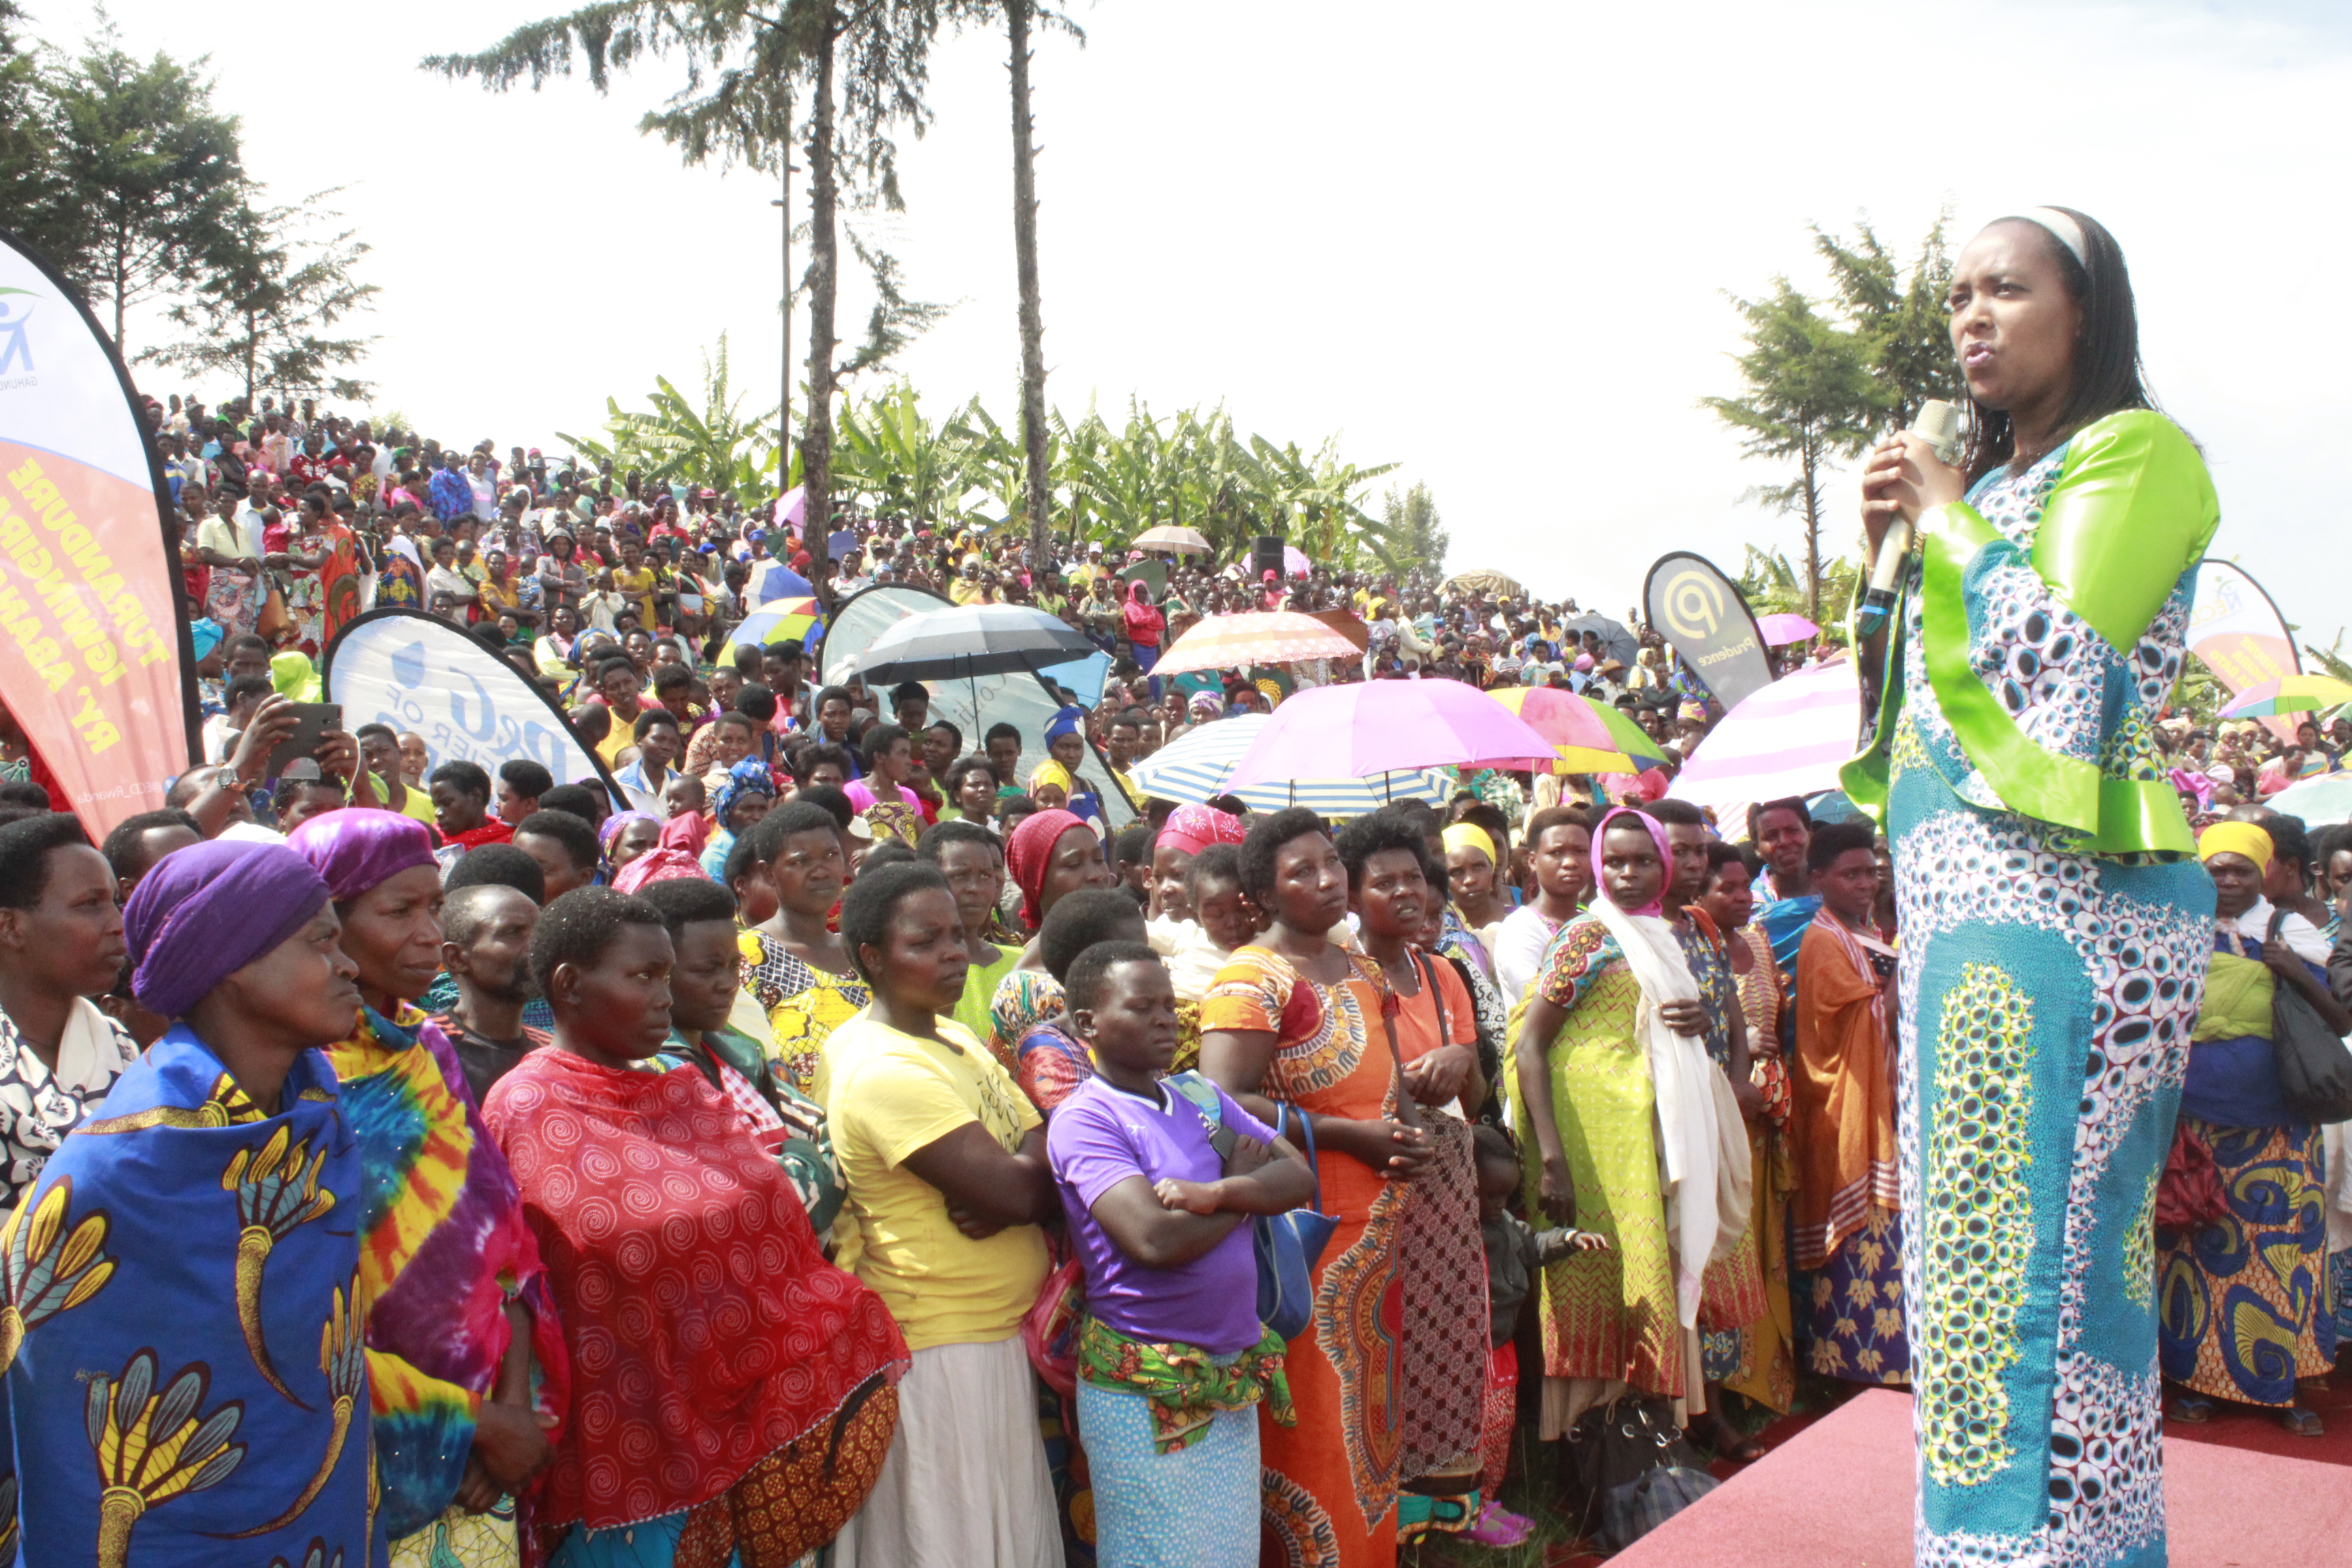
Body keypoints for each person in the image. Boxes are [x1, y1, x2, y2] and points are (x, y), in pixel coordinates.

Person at [1845, 207, 2221, 1565]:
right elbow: (1897, 724)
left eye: (2007, 288)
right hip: (1968, 916)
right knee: (1977, 1277)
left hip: (2071, 915)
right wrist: (1895, 554)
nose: (1972, 318)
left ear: (2087, 313)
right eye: (1958, 295)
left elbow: (2053, 673)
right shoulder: (1990, 493)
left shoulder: (2140, 455)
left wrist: (1948, 516)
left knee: (2040, 1280)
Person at [483, 888, 905, 1565]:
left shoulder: (683, 1093)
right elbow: (513, 1283)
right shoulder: (528, 1106)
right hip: (614, 1447)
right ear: (568, 985)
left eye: (664, 974)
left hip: (725, 1431)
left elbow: (770, 1223)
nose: (662, 996)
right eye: (642, 976)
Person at [0, 839, 376, 1564]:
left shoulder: (316, 1112)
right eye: (321, 942)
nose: (348, 965)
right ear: (230, 959)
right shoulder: (121, 1166)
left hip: (319, 1517)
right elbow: (46, 1410)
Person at [284, 809, 566, 1563]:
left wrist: (509, 1410)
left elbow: (500, 1238)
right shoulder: (294, 1080)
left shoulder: (426, 1047)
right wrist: (464, 1421)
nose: (426, 933)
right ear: (325, 925)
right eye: (398, 911)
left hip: (486, 1454)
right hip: (363, 1443)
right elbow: (297, 1311)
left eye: (433, 907)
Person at [1196, 808, 1443, 1566]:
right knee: (1314, 1424)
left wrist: (1410, 1133)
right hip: (1306, 1233)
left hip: (1380, 1226)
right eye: (1301, 871)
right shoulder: (1253, 976)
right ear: (1263, 895)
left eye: (1332, 862)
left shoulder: (1360, 967)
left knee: (1369, 1424)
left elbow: (1391, 1080)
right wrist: (1345, 1136)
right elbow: (1218, 1100)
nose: (1329, 879)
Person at [823, 864, 1062, 1568]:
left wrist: (1026, 1178)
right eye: (926, 941)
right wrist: (1025, 1187)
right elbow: (1023, 1192)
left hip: (988, 1336)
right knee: (948, 1544)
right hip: (938, 1348)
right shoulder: (882, 1066)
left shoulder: (952, 1037)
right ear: (872, 956)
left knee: (1002, 1538)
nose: (954, 953)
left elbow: (1041, 1140)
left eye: (958, 935)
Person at [1048, 941, 1313, 1568]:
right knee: (1156, 1554)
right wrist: (1248, 1195)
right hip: (1147, 1384)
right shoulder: (1087, 1119)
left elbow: (1297, 1176)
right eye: (1142, 1008)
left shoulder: (1198, 1097)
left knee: (1225, 1554)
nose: (1167, 1019)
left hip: (1227, 1371)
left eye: (1170, 1005)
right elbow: (1153, 1240)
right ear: (1088, 1024)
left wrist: (1217, 1191)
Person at [1509, 808, 1748, 1438]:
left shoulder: (1666, 936)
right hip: (1590, 1148)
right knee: (1600, 1272)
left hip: (1648, 1140)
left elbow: (1668, 1025)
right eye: (1614, 861)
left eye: (1643, 861)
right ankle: (1587, 1449)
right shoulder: (1587, 937)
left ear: (1666, 866)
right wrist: (1554, 1158)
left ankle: (1649, 1441)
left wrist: (1696, 1025)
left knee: (1651, 1276)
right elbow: (1531, 1046)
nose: (1627, 874)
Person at [2160, 821, 2349, 1433]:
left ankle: (2281, 1384)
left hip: (2278, 1128)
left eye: (2242, 869)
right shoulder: (2177, 930)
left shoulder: (2289, 930)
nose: (2230, 880)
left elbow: (2339, 1016)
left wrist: (2291, 969)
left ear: (2265, 871)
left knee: (2282, 1254)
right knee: (2198, 1251)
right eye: (2217, 870)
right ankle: (2200, 1381)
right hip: (2196, 1125)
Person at [639, 877, 845, 1239]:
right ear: (658, 972)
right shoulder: (652, 1073)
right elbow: (763, 1203)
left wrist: (796, 1167)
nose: (727, 983)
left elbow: (835, 1142)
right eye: (707, 970)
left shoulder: (737, 1055)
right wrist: (805, 1156)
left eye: (735, 967)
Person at [1788, 819, 1908, 1388]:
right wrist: (1906, 970)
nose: (1865, 883)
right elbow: (1864, 1021)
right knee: (1857, 1243)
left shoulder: (1858, 932)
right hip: (1842, 1113)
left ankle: (1885, 1363)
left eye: (1871, 873)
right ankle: (1849, 1369)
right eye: (1851, 873)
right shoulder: (1822, 940)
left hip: (1872, 1105)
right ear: (1819, 878)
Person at [1466, 1126, 1608, 1547]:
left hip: (1503, 1349)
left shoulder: (1505, 1223)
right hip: (1475, 1352)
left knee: (1499, 1428)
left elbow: (1532, 1245)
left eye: (1506, 1197)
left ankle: (1485, 1502)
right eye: (1489, 1195)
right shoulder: (1459, 1233)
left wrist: (1569, 1239)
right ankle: (1466, 1512)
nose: (1499, 1205)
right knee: (1475, 1432)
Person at [1694, 842, 1797, 1416]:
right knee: (1724, 1254)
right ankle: (1718, 1400)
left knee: (1762, 1250)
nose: (1740, 897)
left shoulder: (1756, 943)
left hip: (1762, 1120)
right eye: (1725, 888)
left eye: (1744, 887)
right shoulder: (1691, 948)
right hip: (1717, 1121)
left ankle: (1760, 1380)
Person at [0, 814, 143, 1213]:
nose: (119, 924)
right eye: (89, 905)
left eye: (116, 902)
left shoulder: (120, 1045)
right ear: (11, 927)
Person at [738, 800, 871, 1095]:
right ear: (769, 873)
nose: (821, 871)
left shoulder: (863, 953)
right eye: (801, 861)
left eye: (831, 856)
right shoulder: (748, 956)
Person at [1004, 889, 1151, 1111]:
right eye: (1132, 955)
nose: (1149, 964)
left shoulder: (1130, 1031)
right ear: (1086, 965)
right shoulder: (1047, 1048)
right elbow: (1093, 1127)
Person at [434, 882, 551, 1103]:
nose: (537, 946)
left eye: (540, 932)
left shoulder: (550, 1051)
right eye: (514, 933)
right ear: (456, 958)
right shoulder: (423, 1049)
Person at [917, 818, 1022, 1043]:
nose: (975, 888)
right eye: (960, 876)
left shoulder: (1021, 965)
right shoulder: (913, 972)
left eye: (985, 876)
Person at [1492, 806, 1589, 1002]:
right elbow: (1541, 1002)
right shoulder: (1520, 930)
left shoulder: (1594, 923)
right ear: (1533, 861)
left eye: (1581, 851)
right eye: (1556, 852)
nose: (1570, 862)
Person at [699, 755, 778, 879]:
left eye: (762, 809)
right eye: (747, 809)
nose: (757, 816)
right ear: (728, 814)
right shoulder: (716, 858)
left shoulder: (768, 850)